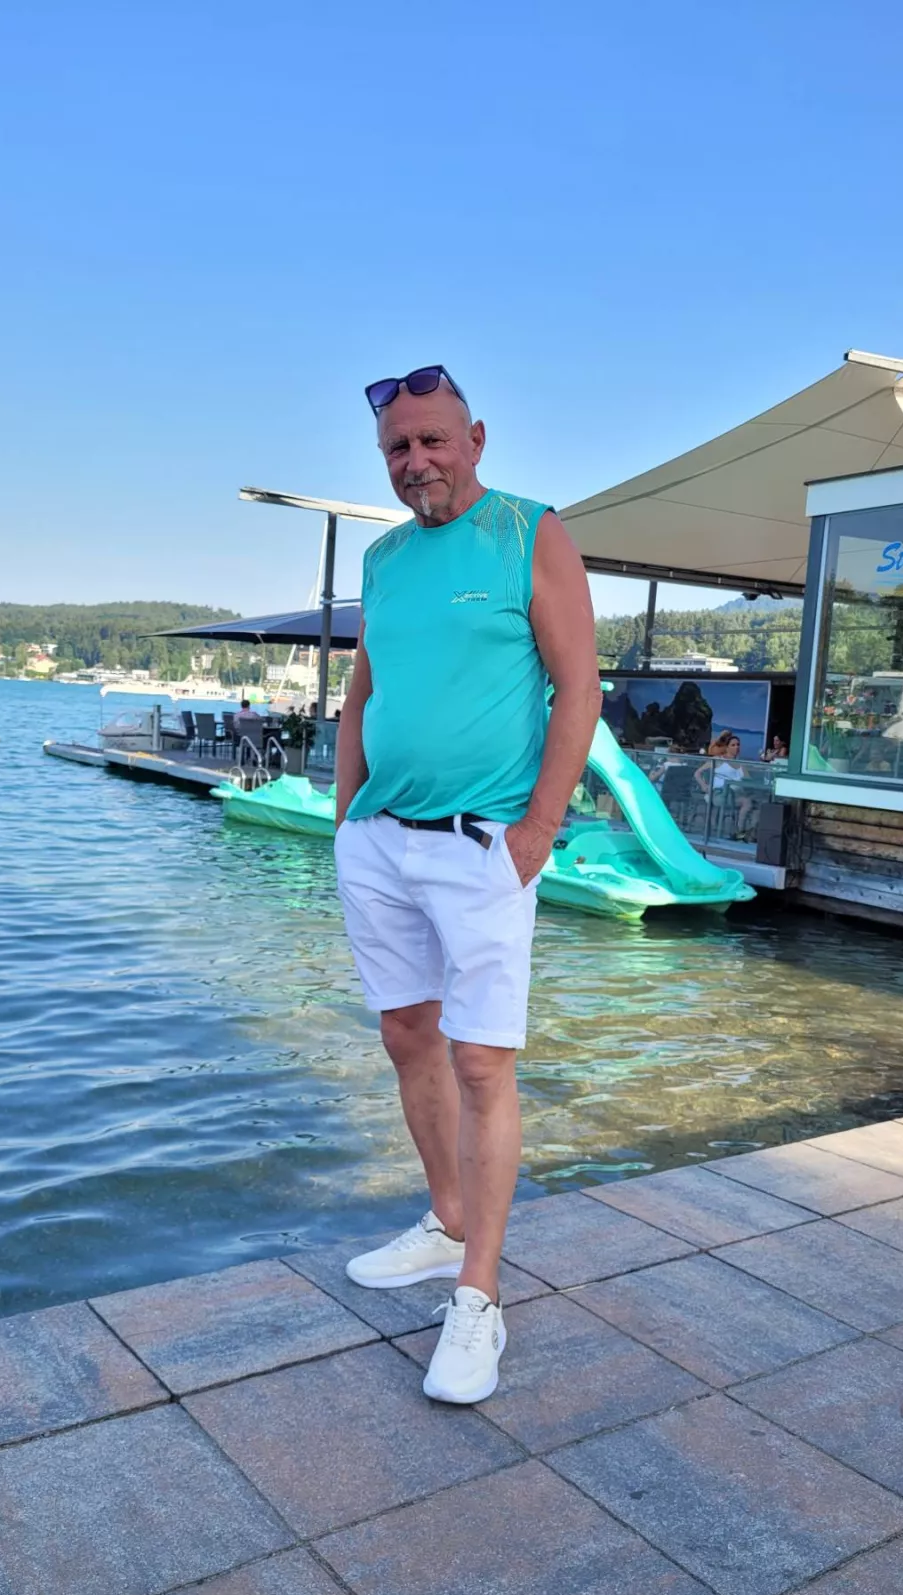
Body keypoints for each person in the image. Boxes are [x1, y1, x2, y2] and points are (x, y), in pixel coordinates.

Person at [334, 364, 601, 1404]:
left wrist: (536, 832)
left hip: (481, 842)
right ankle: (446, 1221)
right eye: (397, 449)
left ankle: (478, 1297)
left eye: (432, 441)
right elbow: (362, 690)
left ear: (475, 439)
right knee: (407, 1035)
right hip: (381, 842)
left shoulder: (530, 532)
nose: (416, 462)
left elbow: (578, 686)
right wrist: (345, 817)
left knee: (482, 1062)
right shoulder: (384, 558)